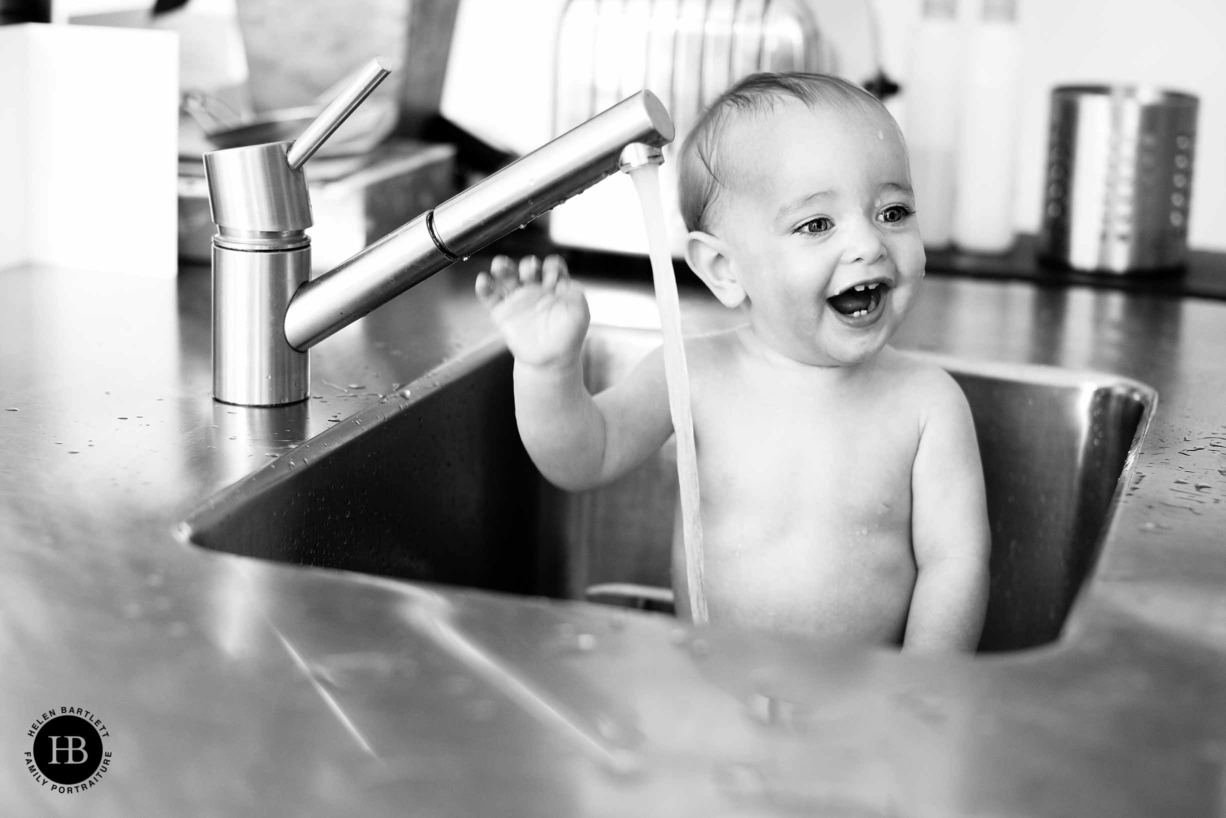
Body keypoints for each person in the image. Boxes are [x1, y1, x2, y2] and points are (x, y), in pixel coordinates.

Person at [475, 72, 990, 652]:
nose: (869, 243)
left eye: (893, 211)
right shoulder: (696, 373)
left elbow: (956, 565)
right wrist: (548, 371)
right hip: (713, 696)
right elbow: (582, 457)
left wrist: (916, 697)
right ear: (724, 270)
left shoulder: (928, 403)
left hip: (862, 709)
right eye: (816, 224)